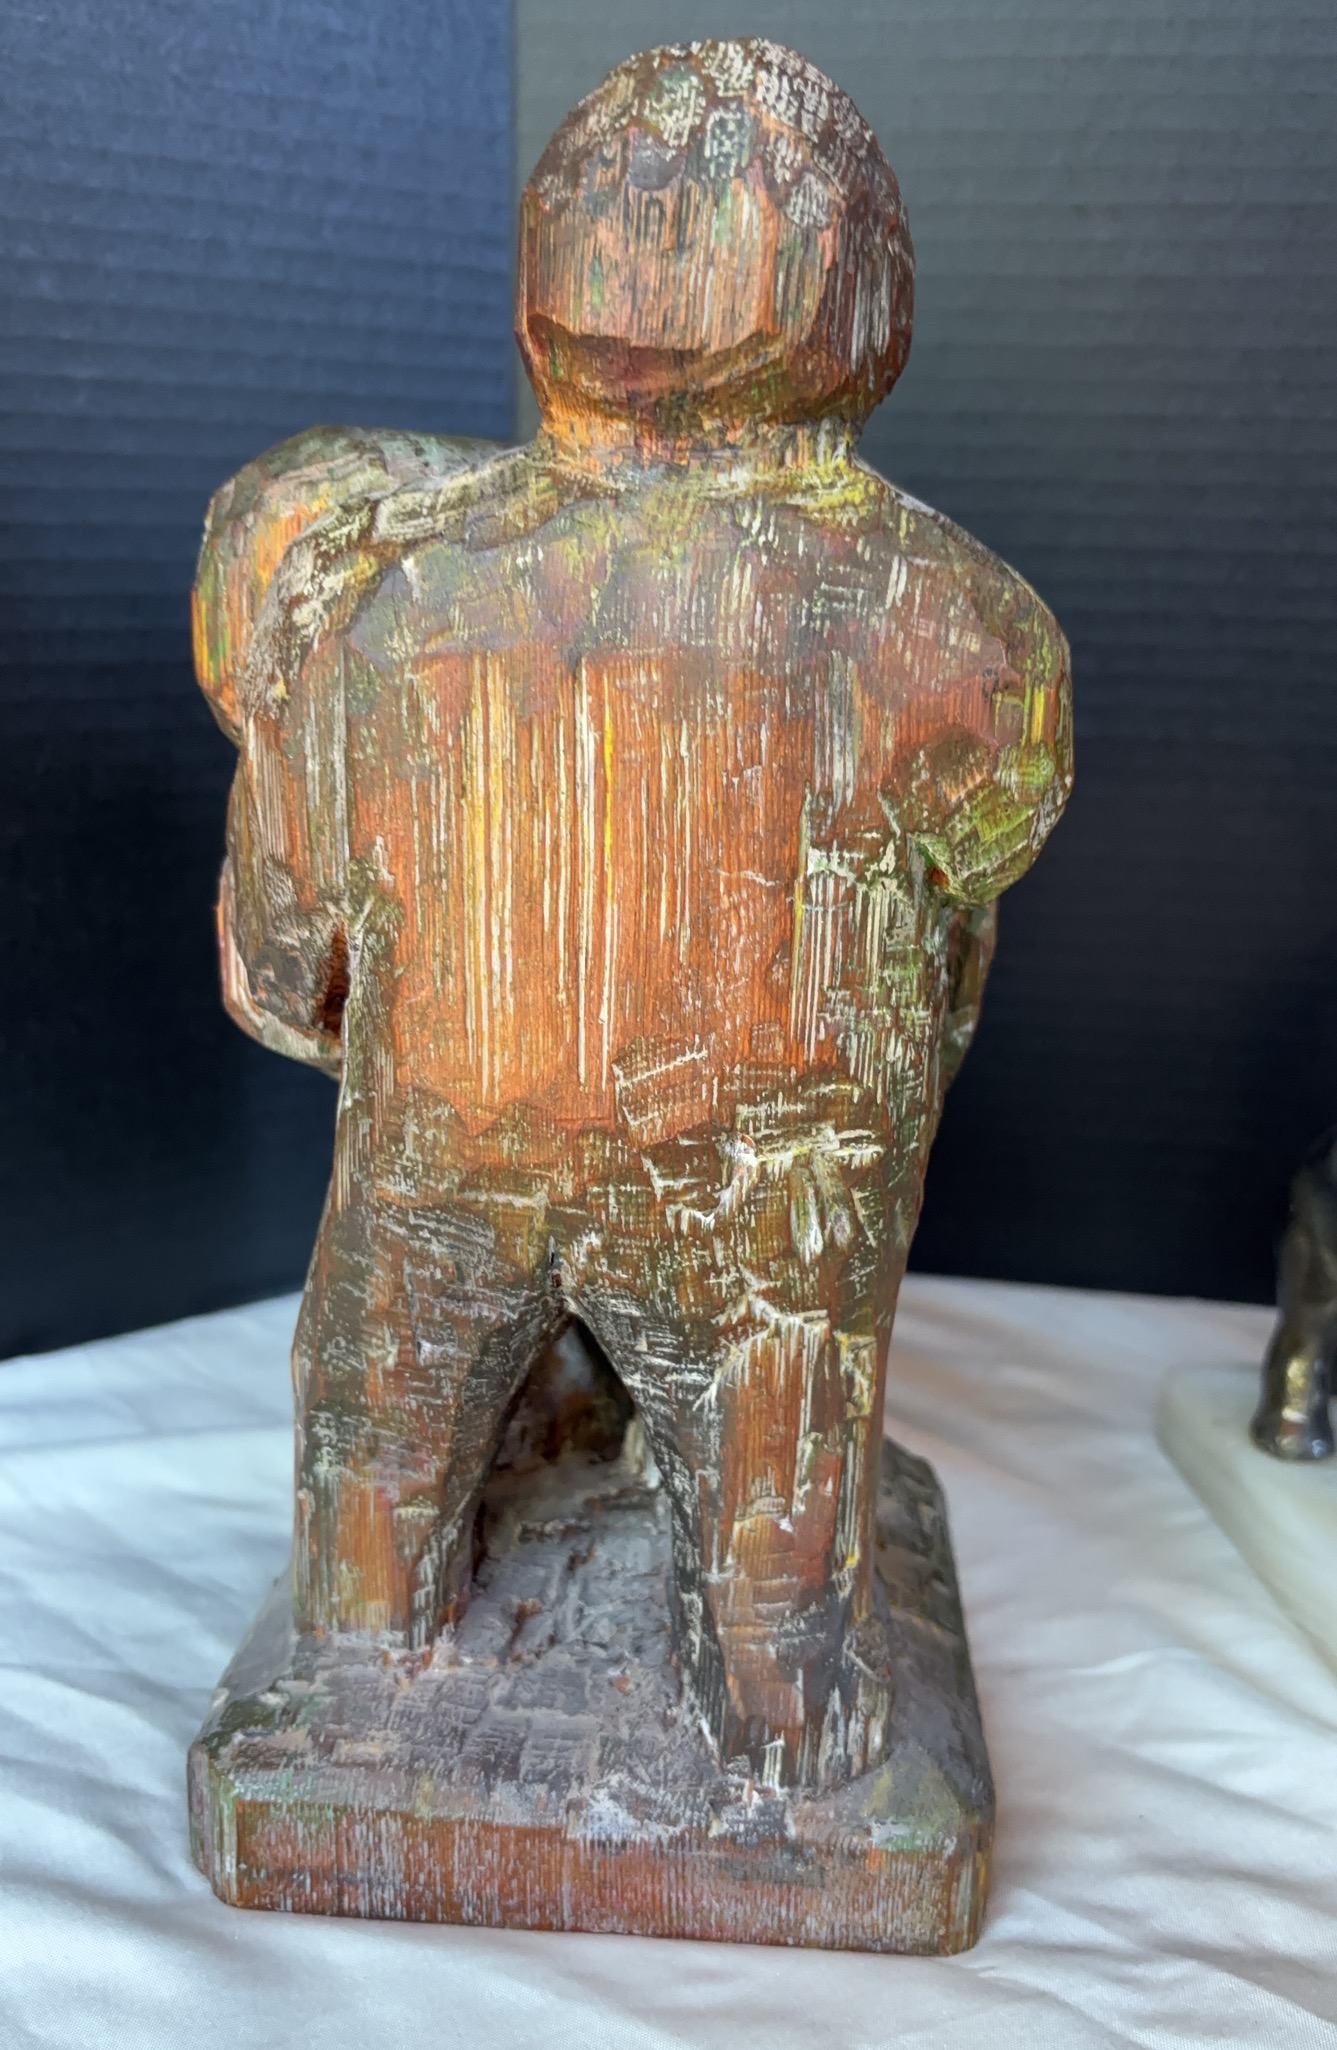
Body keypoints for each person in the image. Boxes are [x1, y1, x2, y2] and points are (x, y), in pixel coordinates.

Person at [193, 39, 1072, 1790]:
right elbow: (987, 846)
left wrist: (330, 1004)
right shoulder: (960, 626)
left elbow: (285, 950)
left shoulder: (391, 598)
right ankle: (784, 1723)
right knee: (781, 1543)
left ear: (542, 296)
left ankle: (359, 1669)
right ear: (863, 307)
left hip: (449, 1144)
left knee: (376, 1447)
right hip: (775, 1188)